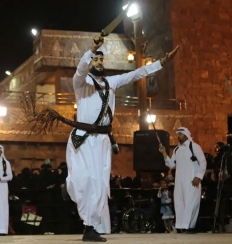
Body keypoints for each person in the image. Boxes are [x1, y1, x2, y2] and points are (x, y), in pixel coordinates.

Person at [66, 35, 179, 242]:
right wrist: (91, 49)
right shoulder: (81, 83)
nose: (99, 62)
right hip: (84, 139)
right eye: (95, 59)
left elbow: (137, 74)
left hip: (102, 141)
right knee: (85, 181)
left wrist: (160, 63)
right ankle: (71, 188)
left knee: (100, 183)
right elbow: (80, 70)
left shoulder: (111, 82)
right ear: (90, 61)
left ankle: (89, 226)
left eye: (101, 59)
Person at [159, 127, 206, 233]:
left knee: (191, 202)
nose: (178, 137)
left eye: (179, 134)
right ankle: (182, 226)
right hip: (179, 182)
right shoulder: (177, 149)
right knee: (180, 203)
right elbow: (171, 165)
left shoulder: (194, 147)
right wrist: (164, 153)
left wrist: (198, 176)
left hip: (192, 180)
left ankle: (190, 226)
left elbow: (203, 162)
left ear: (185, 135)